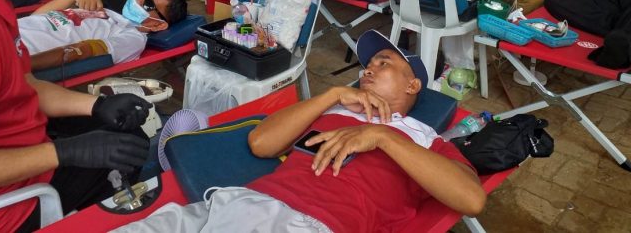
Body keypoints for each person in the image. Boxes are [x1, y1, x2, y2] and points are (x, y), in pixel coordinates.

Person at [118, 30, 485, 232]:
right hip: (235, 203)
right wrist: (332, 95)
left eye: (384, 63)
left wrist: (383, 137)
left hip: (314, 224)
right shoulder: (335, 109)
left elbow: (471, 199)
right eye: (368, 64)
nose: (368, 69)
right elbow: (261, 143)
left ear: (413, 86)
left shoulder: (423, 138)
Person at [0, 0, 151, 233]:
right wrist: (65, 153)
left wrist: (94, 106)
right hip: (14, 205)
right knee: (129, 155)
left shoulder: (1, 9)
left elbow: (26, 83)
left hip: (30, 145)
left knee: (124, 136)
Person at [21, 0, 187, 71]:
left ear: (158, 25)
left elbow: (83, 51)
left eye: (148, 3)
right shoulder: (105, 11)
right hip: (9, 31)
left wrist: (18, 64)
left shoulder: (133, 38)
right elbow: (37, 17)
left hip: (19, 52)